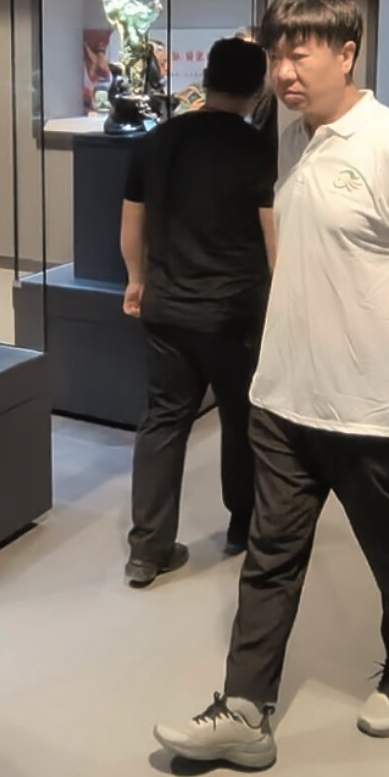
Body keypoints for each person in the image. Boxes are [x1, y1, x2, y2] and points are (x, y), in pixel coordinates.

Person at [154, 0, 389, 769]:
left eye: (300, 54)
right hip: (283, 392)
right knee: (270, 555)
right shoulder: (289, 137)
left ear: (346, 51)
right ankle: (244, 708)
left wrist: (377, 334)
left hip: (368, 401)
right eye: (276, 57)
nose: (284, 73)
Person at [119, 37, 277, 588]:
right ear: (258, 89)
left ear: (205, 79)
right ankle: (242, 526)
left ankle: (147, 551)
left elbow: (131, 224)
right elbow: (273, 239)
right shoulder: (258, 150)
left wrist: (136, 280)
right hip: (235, 313)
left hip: (166, 307)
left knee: (163, 421)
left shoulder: (156, 141)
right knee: (242, 419)